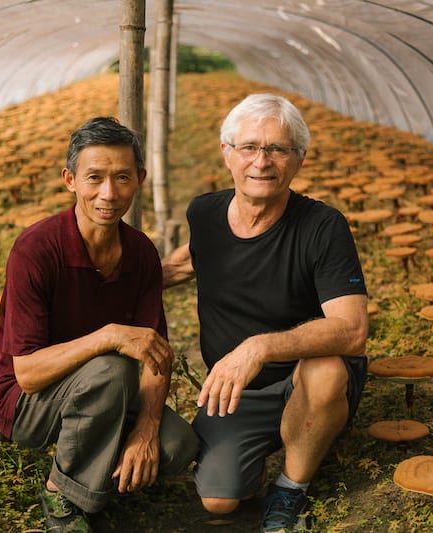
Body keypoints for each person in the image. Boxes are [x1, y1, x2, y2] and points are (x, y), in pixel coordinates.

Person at [162, 93, 369, 533]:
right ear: (227, 153)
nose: (262, 161)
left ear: (299, 160)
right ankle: (274, 441)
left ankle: (292, 486)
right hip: (241, 390)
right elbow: (184, 262)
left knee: (328, 371)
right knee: (219, 501)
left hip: (302, 375)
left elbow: (352, 332)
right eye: (250, 147)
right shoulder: (205, 213)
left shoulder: (322, 226)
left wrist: (261, 347)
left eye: (278, 149)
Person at [0, 116, 198, 533]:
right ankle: (63, 493)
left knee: (177, 447)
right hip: (26, 401)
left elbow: (156, 356)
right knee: (112, 366)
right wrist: (108, 336)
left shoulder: (140, 253)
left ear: (140, 179)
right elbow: (25, 374)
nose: (109, 194)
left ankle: (91, 459)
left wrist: (147, 430)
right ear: (70, 180)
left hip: (100, 391)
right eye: (94, 177)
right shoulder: (36, 249)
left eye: (122, 178)